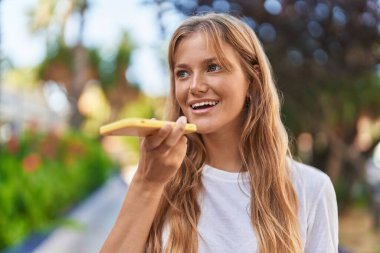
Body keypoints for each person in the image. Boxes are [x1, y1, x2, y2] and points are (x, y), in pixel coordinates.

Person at [100, 13, 338, 253]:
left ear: (252, 80)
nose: (194, 86)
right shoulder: (158, 183)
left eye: (212, 68)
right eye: (183, 73)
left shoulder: (311, 188)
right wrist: (147, 182)